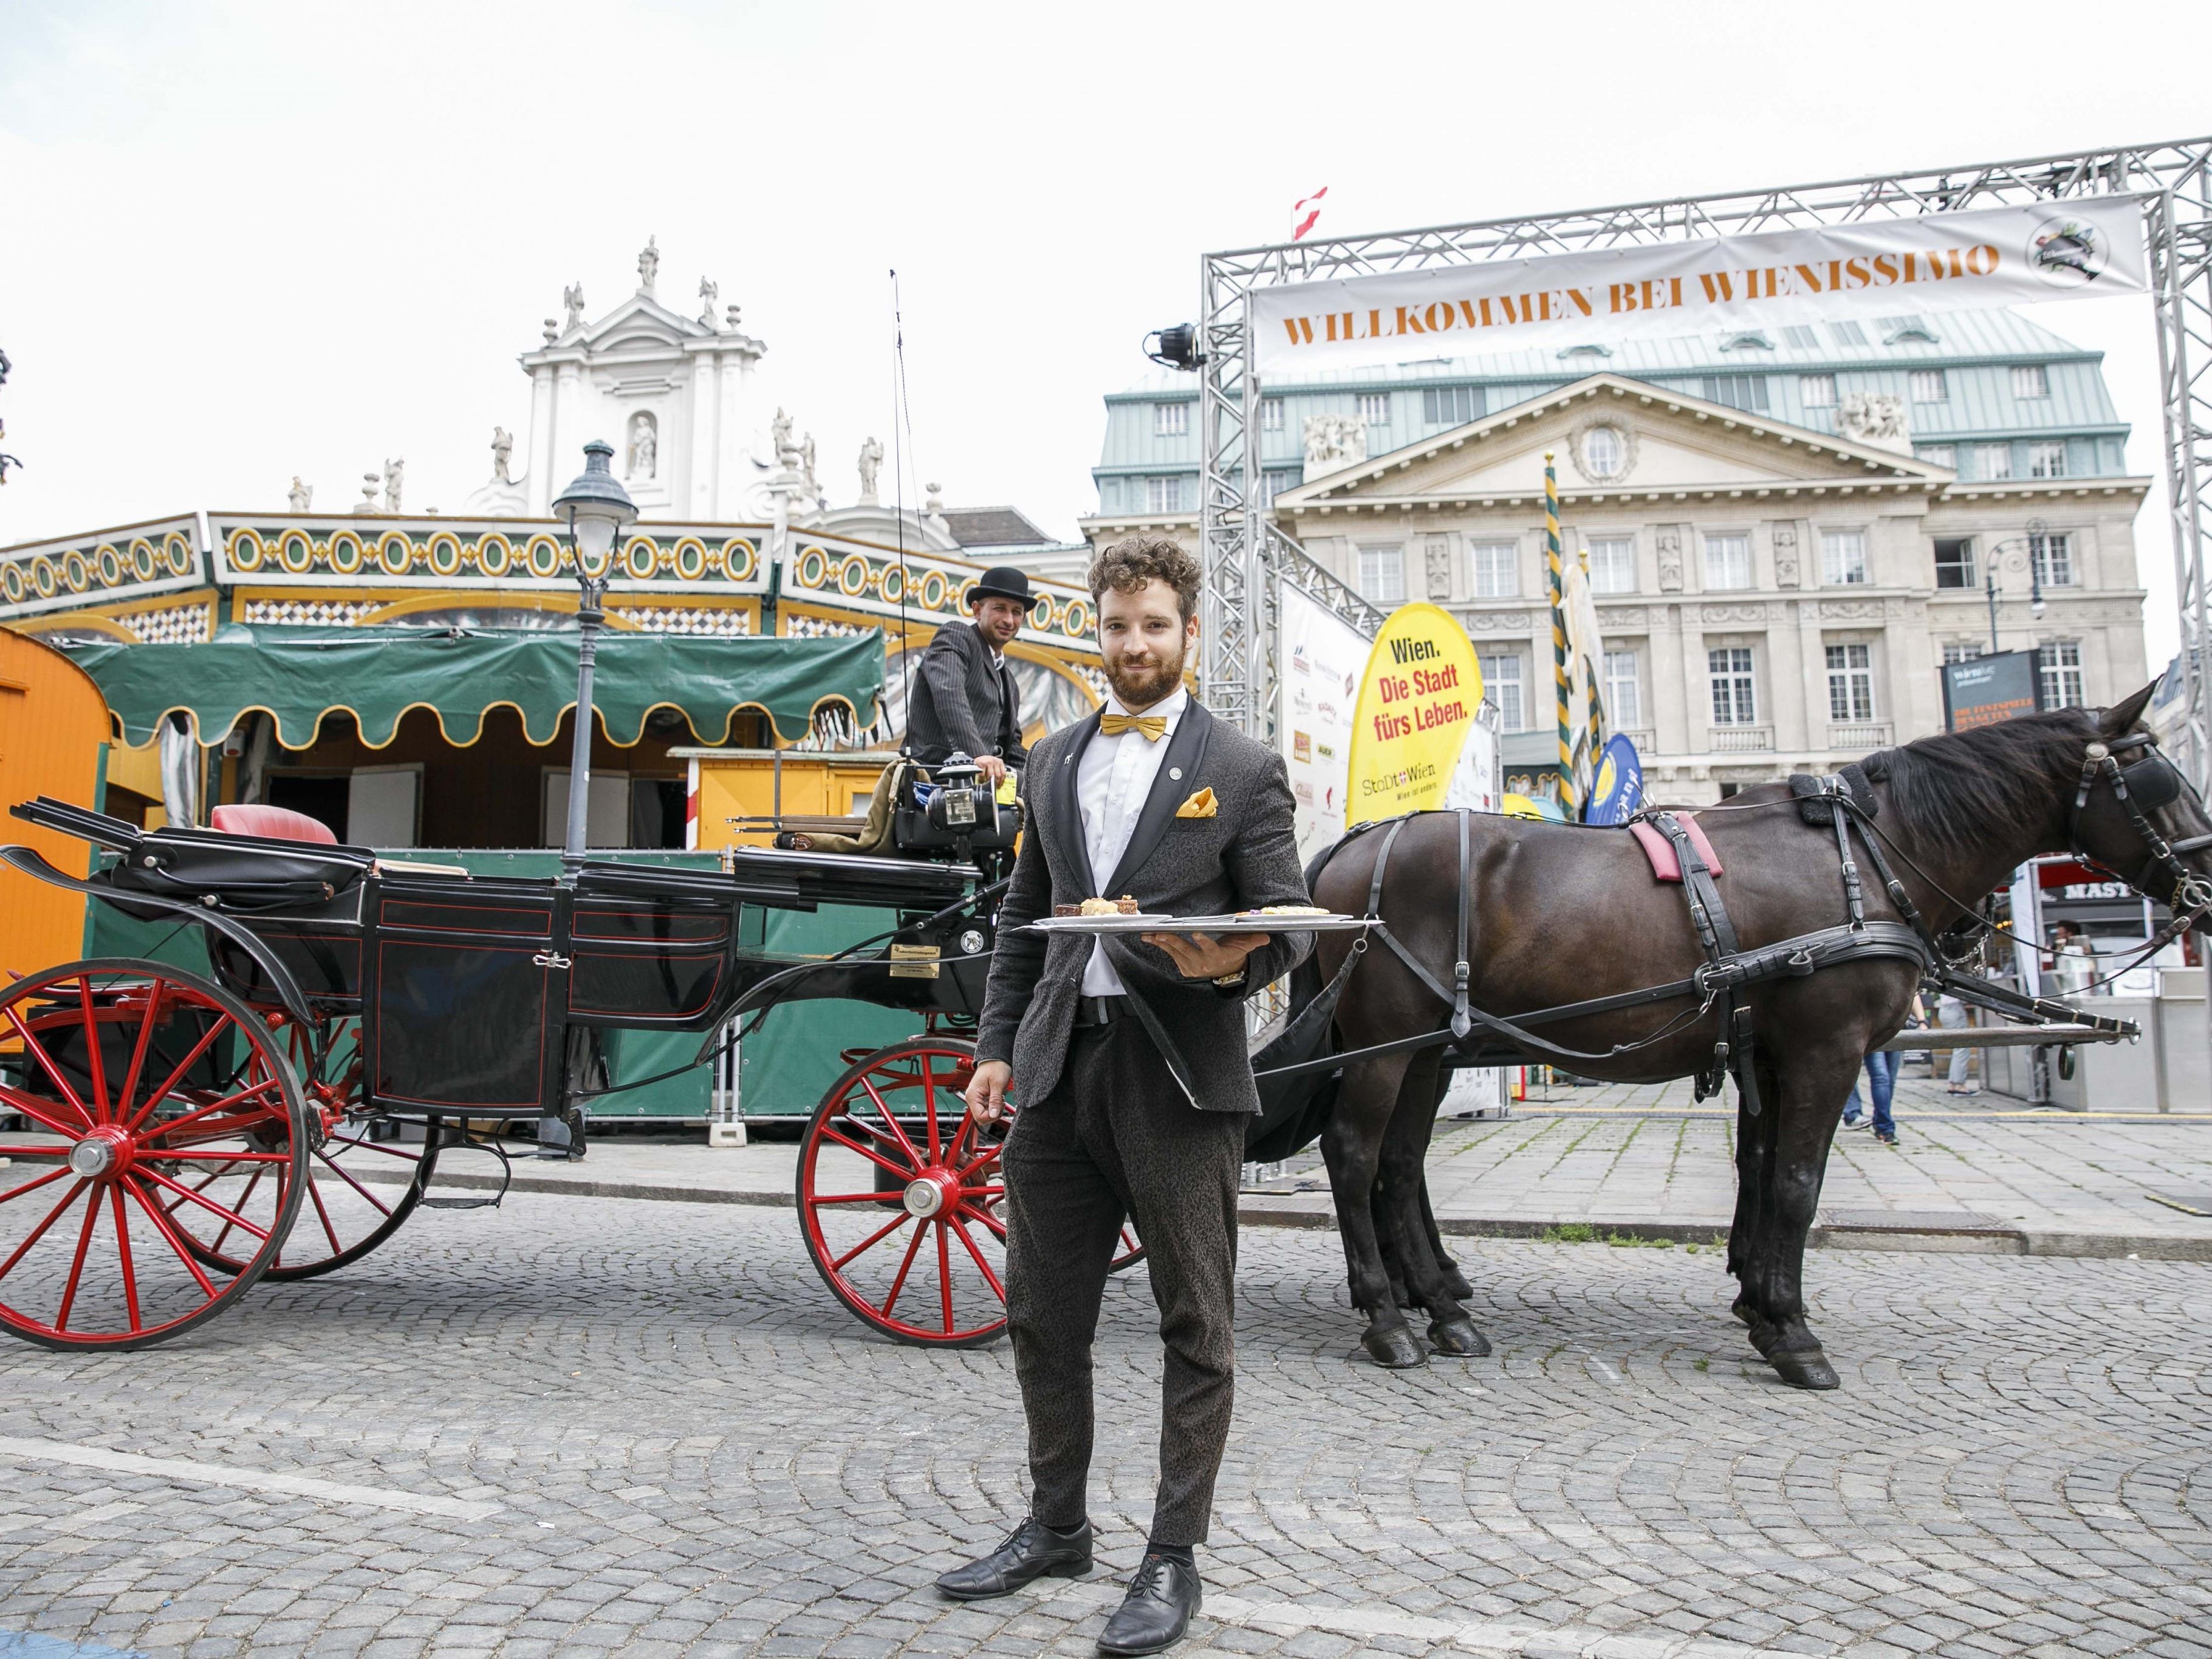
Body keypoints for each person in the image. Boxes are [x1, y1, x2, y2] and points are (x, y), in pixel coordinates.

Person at [938, 534, 1314, 1656]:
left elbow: (1286, 921)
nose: (1133, 644)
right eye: (1115, 625)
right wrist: (997, 1043)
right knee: (1041, 1315)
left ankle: (1171, 1558)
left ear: (1187, 633)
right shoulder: (1050, 764)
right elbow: (1023, 920)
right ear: (1092, 630)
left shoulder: (1240, 767)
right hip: (1057, 1074)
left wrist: (1192, 951)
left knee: (1195, 1323)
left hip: (1176, 1079)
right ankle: (1056, 1525)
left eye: (1153, 625)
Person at [906, 565, 1032, 785]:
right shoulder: (957, 636)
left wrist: (1044, 775)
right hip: (936, 779)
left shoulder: (1009, 682)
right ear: (977, 610)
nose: (1009, 620)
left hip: (983, 786)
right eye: (1000, 609)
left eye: (1016, 612)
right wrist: (977, 756)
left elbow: (1011, 747)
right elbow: (949, 693)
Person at [1841, 1047, 1902, 1145]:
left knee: (1890, 1079)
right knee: (1881, 1078)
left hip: (1896, 1034)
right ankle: (1886, 1127)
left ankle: (1880, 1123)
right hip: (1874, 1035)